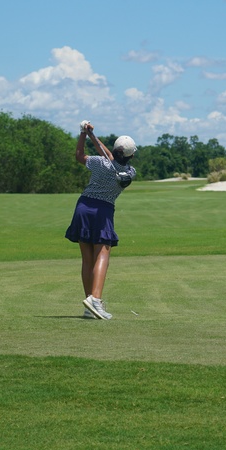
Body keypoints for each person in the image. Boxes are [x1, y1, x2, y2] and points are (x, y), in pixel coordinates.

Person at [65, 120, 137, 320]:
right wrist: (91, 136)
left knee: (88, 259)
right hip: (103, 211)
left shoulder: (99, 162)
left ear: (114, 150)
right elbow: (111, 157)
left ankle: (90, 306)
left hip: (83, 208)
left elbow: (80, 156)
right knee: (102, 254)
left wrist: (84, 133)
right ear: (131, 155)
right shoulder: (129, 173)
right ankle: (95, 300)